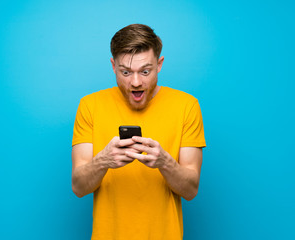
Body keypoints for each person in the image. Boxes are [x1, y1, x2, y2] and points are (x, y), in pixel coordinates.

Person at [71, 24, 206, 240]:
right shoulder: (90, 105)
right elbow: (78, 187)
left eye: (145, 71)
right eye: (126, 72)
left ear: (159, 64)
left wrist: (165, 162)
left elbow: (191, 191)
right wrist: (103, 161)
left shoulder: (186, 106)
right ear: (113, 66)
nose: (135, 82)